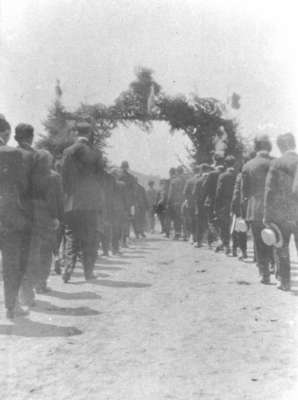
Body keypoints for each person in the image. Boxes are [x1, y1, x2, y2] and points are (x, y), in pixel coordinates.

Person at [19, 150, 64, 305]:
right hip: (45, 218)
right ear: (48, 161)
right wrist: (56, 217)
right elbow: (55, 200)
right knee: (45, 253)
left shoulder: (28, 175)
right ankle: (41, 284)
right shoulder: (53, 177)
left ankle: (27, 291)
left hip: (28, 217)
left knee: (31, 255)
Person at [62, 122, 105, 283]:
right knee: (89, 236)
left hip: (73, 200)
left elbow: (64, 177)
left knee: (71, 234)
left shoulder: (68, 151)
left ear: (76, 133)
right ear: (90, 133)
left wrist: (68, 195)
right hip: (91, 202)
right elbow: (101, 178)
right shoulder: (96, 153)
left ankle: (68, 267)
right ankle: (88, 272)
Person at [0, 119, 29, 319]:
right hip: (7, 214)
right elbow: (23, 186)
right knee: (11, 261)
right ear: (6, 133)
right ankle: (11, 306)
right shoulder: (11, 153)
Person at [265, 133, 298, 290]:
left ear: (280, 147)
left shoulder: (276, 164)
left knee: (282, 247)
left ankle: (285, 282)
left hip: (282, 214)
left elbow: (269, 191)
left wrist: (267, 214)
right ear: (294, 144)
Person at [242, 135, 273, 284]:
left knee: (259, 242)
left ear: (256, 147)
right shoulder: (275, 162)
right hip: (274, 207)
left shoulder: (248, 165)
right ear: (269, 147)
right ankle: (279, 270)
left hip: (255, 208)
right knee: (276, 239)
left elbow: (245, 192)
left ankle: (264, 273)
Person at [215, 156, 237, 254]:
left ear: (226, 164)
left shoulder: (223, 176)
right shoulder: (238, 175)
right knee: (235, 225)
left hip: (224, 203)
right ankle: (236, 247)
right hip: (236, 203)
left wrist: (217, 205)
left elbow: (218, 192)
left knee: (224, 225)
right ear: (234, 163)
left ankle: (226, 246)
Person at [204, 154, 225, 248]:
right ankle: (211, 242)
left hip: (211, 201)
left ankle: (218, 239)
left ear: (215, 161)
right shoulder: (225, 172)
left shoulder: (212, 174)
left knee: (210, 221)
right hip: (222, 202)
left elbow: (204, 187)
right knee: (221, 222)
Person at [193, 164, 212, 247]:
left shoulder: (198, 180)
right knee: (210, 222)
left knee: (200, 223)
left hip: (200, 205)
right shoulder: (213, 179)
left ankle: (199, 241)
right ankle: (210, 241)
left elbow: (194, 193)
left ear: (201, 170)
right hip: (210, 204)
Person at [118, 161, 136, 246]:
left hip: (118, 202)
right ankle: (124, 241)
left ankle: (118, 242)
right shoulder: (131, 177)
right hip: (127, 203)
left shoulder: (118, 176)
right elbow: (133, 192)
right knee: (126, 222)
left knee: (118, 222)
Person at [183, 165, 201, 243]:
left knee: (192, 219)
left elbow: (184, 192)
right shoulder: (202, 179)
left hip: (191, 203)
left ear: (193, 172)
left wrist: (188, 199)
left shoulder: (189, 181)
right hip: (200, 203)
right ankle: (199, 237)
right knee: (200, 220)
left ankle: (192, 236)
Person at [167, 166, 186, 240]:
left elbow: (171, 193)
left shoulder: (174, 181)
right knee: (184, 218)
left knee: (176, 218)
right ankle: (185, 234)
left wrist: (168, 202)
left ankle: (177, 234)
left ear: (177, 172)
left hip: (176, 202)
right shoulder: (186, 180)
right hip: (185, 201)